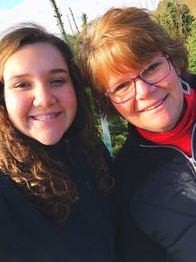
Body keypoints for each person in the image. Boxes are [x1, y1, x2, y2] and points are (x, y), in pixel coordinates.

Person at [79, 6, 196, 262]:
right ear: (108, 102)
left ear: (173, 62)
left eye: (151, 68)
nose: (144, 91)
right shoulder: (126, 185)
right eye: (122, 86)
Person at [0, 23, 117, 262]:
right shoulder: (7, 190)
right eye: (22, 84)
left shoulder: (91, 152)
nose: (44, 99)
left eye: (57, 80)